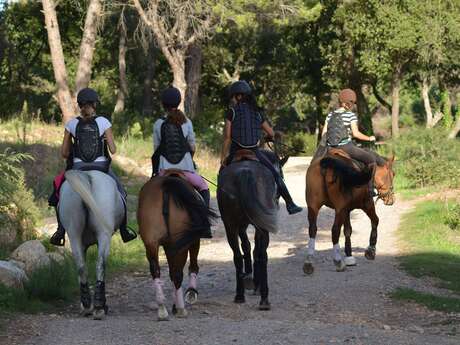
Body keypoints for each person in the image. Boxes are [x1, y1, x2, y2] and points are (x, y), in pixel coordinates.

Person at [49, 88, 137, 246]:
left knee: (58, 193)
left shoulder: (71, 124)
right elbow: (113, 149)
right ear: (95, 104)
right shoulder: (104, 122)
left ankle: (60, 231)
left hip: (77, 168)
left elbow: (64, 153)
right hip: (101, 168)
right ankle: (124, 230)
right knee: (121, 193)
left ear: (80, 105)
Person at [220, 80, 302, 215]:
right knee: (275, 174)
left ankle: (222, 203)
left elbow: (228, 137)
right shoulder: (257, 112)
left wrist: (223, 158)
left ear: (238, 96)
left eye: (234, 97)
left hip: (236, 152)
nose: (233, 100)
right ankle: (290, 203)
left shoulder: (231, 112)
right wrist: (268, 138)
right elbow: (271, 133)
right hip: (254, 152)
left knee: (222, 174)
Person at [151, 87, 212, 238]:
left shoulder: (158, 124)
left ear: (163, 104)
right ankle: (204, 223)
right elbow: (192, 146)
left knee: (148, 193)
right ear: (178, 103)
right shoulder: (187, 122)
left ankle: (147, 225)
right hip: (185, 170)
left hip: (164, 171)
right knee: (204, 187)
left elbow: (156, 149)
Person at [317, 88, 386, 195]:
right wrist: (370, 138)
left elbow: (324, 134)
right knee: (371, 158)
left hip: (330, 148)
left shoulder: (330, 115)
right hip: (346, 147)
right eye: (352, 102)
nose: (353, 105)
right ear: (347, 103)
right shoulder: (350, 115)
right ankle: (370, 188)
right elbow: (356, 134)